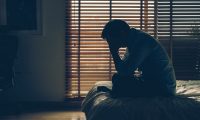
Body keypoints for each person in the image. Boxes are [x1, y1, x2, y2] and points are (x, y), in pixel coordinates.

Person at [101, 19, 176, 98]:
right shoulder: (133, 41)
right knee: (117, 78)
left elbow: (125, 71)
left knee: (120, 81)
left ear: (121, 33)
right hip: (152, 83)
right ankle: (115, 92)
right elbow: (122, 70)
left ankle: (115, 93)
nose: (111, 44)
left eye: (111, 40)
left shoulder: (142, 42)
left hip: (163, 89)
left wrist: (114, 52)